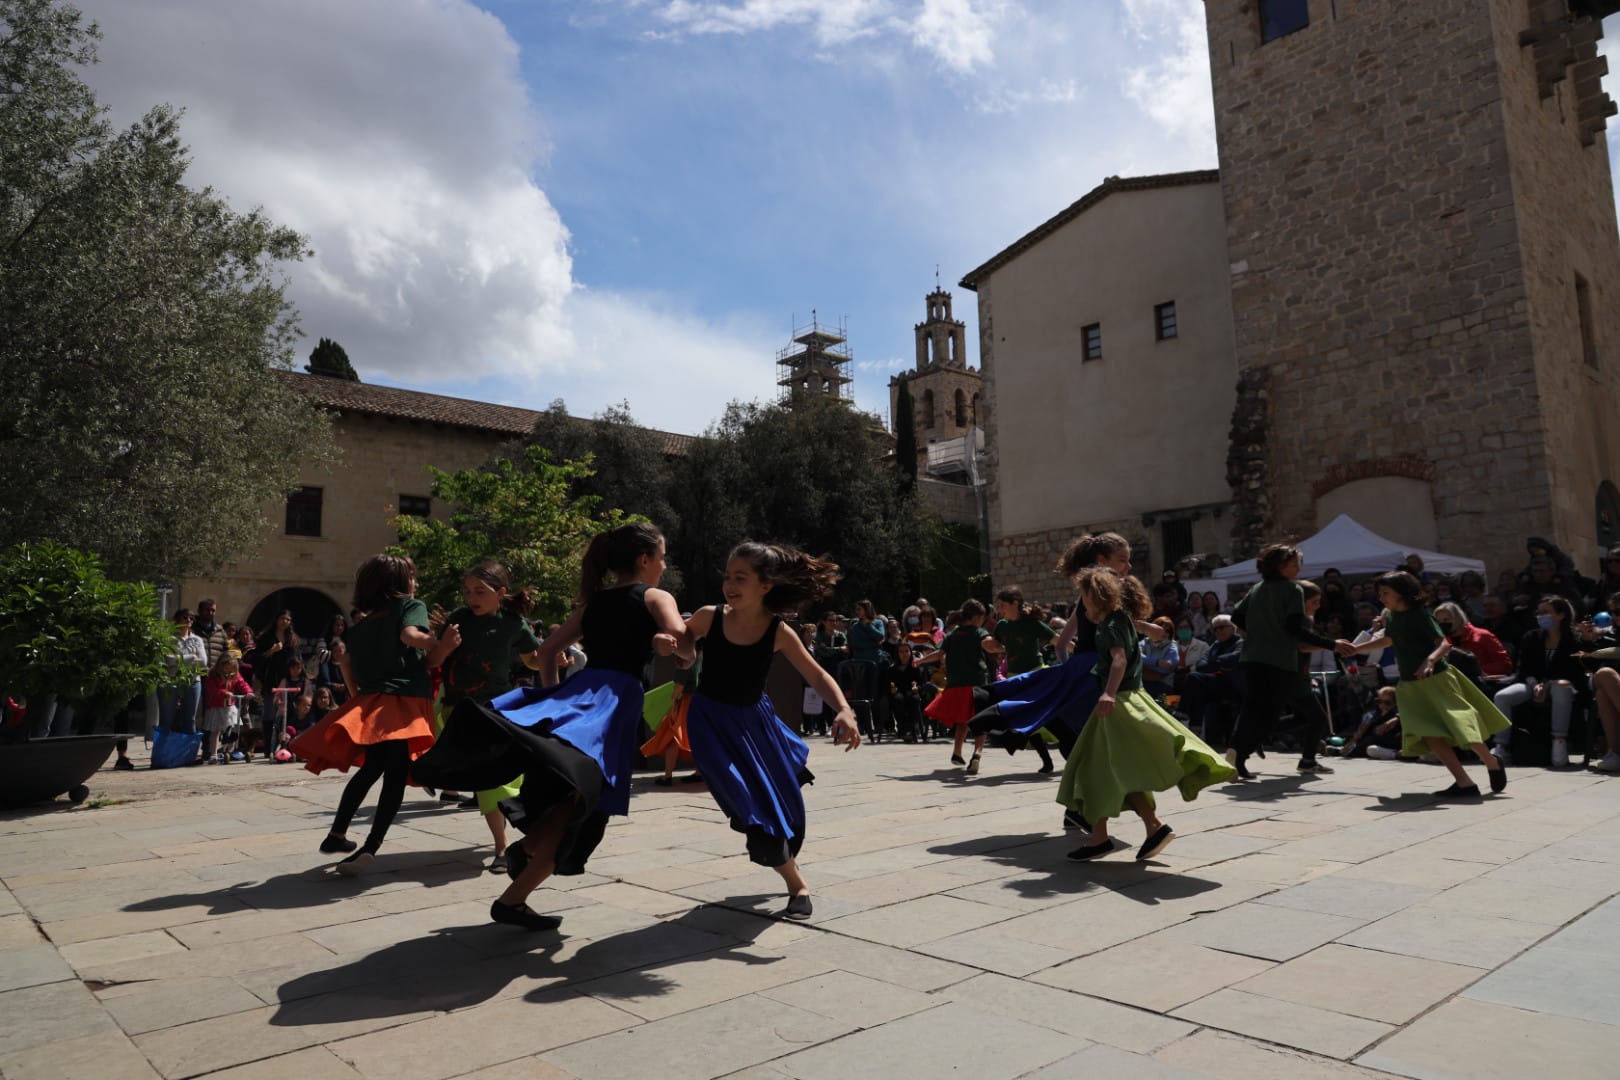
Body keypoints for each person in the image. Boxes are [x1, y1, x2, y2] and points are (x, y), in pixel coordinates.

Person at [411, 523, 684, 931]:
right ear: (644, 560)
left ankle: (523, 859)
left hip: (580, 699)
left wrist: (552, 703)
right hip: (612, 706)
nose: (664, 566)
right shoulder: (656, 595)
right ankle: (513, 895)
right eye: (662, 558)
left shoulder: (594, 603)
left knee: (574, 799)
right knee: (587, 807)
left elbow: (550, 651)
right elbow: (678, 634)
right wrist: (682, 641)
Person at [673, 541, 862, 920]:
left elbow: (817, 674)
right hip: (709, 722)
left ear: (766, 585)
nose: (730, 584)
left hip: (755, 724)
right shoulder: (711, 617)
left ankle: (796, 882)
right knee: (747, 805)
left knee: (772, 808)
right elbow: (685, 638)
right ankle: (796, 881)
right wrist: (676, 645)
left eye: (741, 578)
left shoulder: (779, 632)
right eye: (728, 576)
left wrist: (844, 709)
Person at [967, 532, 1168, 829]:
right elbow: (1117, 646)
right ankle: (1132, 823)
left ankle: (1091, 817)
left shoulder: (1088, 595)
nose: (1128, 567)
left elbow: (1062, 644)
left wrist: (1066, 675)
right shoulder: (1108, 594)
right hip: (1095, 682)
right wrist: (1148, 630)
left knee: (1083, 749)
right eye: (1122, 560)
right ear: (1102, 561)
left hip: (1078, 679)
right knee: (1098, 752)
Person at [291, 555, 459, 873]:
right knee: (394, 776)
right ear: (399, 583)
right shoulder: (411, 606)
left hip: (373, 703)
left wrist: (359, 703)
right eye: (412, 576)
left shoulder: (361, 625)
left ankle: (337, 833)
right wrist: (440, 641)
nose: (416, 582)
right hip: (403, 703)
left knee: (370, 770)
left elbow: (347, 667)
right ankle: (370, 847)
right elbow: (411, 636)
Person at [1059, 567, 1235, 862]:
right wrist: (1148, 629)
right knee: (1112, 771)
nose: (1082, 602)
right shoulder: (1117, 619)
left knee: (1097, 769)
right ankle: (1122, 833)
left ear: (1096, 596)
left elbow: (1119, 659)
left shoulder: (1110, 624)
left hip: (1119, 704)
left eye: (1084, 596)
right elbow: (1127, 633)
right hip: (1126, 700)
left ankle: (1126, 832)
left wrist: (1109, 693)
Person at [1351, 571, 1509, 798]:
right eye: (1380, 593)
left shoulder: (1420, 615)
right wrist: (1358, 648)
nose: (1382, 597)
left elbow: (1443, 643)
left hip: (1437, 680)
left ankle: (1491, 761)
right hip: (1410, 684)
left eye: (1386, 592)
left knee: (1461, 725)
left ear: (1403, 592)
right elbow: (1388, 640)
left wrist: (1430, 660)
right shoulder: (1393, 616)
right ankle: (1464, 783)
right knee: (1429, 734)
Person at [436, 560, 546, 873]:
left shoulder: (513, 624)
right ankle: (504, 836)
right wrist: (442, 647)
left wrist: (554, 658)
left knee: (493, 782)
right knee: (482, 778)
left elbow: (534, 660)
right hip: (458, 709)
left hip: (496, 710)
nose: (472, 597)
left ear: (500, 593)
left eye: (480, 591)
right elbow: (435, 657)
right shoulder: (458, 619)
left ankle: (502, 846)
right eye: (468, 591)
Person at [1226, 544, 1357, 780]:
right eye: (1294, 563)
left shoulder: (1257, 588)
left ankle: (1237, 753)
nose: (1298, 568)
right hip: (1279, 661)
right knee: (1269, 714)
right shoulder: (1292, 590)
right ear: (1280, 566)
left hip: (1251, 657)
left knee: (1253, 708)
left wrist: (1258, 632)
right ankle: (1242, 752)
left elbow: (1236, 616)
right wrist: (1332, 644)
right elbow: (1295, 629)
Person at [1490, 595, 1585, 768]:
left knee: (1561, 687)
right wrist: (1535, 685)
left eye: (1546, 612)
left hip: (1563, 685)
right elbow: (1524, 668)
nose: (1541, 616)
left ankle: (1559, 741)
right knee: (1502, 696)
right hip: (1533, 682)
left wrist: (1548, 684)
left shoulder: (1574, 640)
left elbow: (1574, 671)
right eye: (1539, 612)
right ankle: (1501, 746)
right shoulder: (1531, 638)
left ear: (1560, 615)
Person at [921, 600, 1004, 774]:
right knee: (981, 719)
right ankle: (977, 754)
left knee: (962, 719)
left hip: (956, 684)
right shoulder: (978, 632)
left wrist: (920, 660)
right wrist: (1003, 647)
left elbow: (938, 654)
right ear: (976, 617)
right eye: (982, 618)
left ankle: (957, 752)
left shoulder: (952, 635)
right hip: (976, 683)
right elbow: (988, 644)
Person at [989, 587, 1058, 772]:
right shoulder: (1001, 626)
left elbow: (1057, 640)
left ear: (1015, 604)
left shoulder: (1032, 624)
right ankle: (1047, 761)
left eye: (1003, 605)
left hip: (1036, 674)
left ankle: (1071, 748)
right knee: (1027, 719)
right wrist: (987, 644)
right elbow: (994, 644)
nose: (1000, 609)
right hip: (1015, 677)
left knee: (1047, 716)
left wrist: (1077, 650)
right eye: (999, 606)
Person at [642, 660, 699, 785]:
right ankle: (699, 772)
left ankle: (668, 776)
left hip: (685, 704)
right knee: (698, 738)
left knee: (672, 737)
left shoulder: (685, 661)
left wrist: (672, 699)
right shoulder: (703, 658)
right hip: (700, 703)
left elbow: (679, 687)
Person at [157, 608, 207, 736]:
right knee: (167, 719)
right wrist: (191, 657)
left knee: (190, 719)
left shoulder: (197, 640)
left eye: (191, 618)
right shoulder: (168, 639)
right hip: (170, 680)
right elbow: (167, 660)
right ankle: (163, 752)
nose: (189, 620)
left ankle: (187, 753)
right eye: (185, 617)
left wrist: (177, 660)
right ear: (177, 619)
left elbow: (203, 662)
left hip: (193, 680)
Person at [201, 654, 255, 764]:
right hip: (216, 706)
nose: (229, 670)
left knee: (236, 725)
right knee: (215, 730)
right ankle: (213, 754)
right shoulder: (213, 674)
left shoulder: (234, 674)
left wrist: (248, 692)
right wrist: (224, 693)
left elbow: (241, 683)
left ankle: (230, 750)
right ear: (221, 666)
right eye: (226, 667)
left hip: (229, 706)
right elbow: (212, 689)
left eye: (231, 668)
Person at [1341, 686, 1402, 759]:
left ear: (1395, 702)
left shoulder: (1397, 712)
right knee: (1356, 738)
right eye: (1379, 701)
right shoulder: (1375, 712)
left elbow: (1403, 715)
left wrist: (1394, 720)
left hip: (1390, 740)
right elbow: (1365, 724)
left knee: (1369, 741)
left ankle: (1347, 752)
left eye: (1387, 703)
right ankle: (1345, 750)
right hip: (1376, 740)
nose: (1382, 705)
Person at [887, 642, 929, 742]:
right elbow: (889, 684)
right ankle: (904, 729)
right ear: (897, 654)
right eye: (901, 652)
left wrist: (917, 688)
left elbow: (923, 683)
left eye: (906, 651)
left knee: (914, 699)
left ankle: (915, 728)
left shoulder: (916, 667)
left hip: (913, 691)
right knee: (897, 699)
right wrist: (892, 689)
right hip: (899, 692)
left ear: (910, 652)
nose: (904, 654)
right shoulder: (892, 668)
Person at [1140, 616, 1179, 702]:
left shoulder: (1172, 646)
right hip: (1143, 682)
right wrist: (1157, 662)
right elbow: (1136, 657)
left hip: (1163, 685)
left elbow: (1166, 667)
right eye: (1160, 629)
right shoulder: (1145, 642)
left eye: (1167, 631)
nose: (1164, 633)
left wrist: (1144, 667)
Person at [190, 599, 231, 668]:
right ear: (199, 611)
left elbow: (226, 653)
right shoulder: (191, 630)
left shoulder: (220, 631)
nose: (210, 613)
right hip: (197, 673)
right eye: (207, 610)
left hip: (215, 674)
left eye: (213, 610)